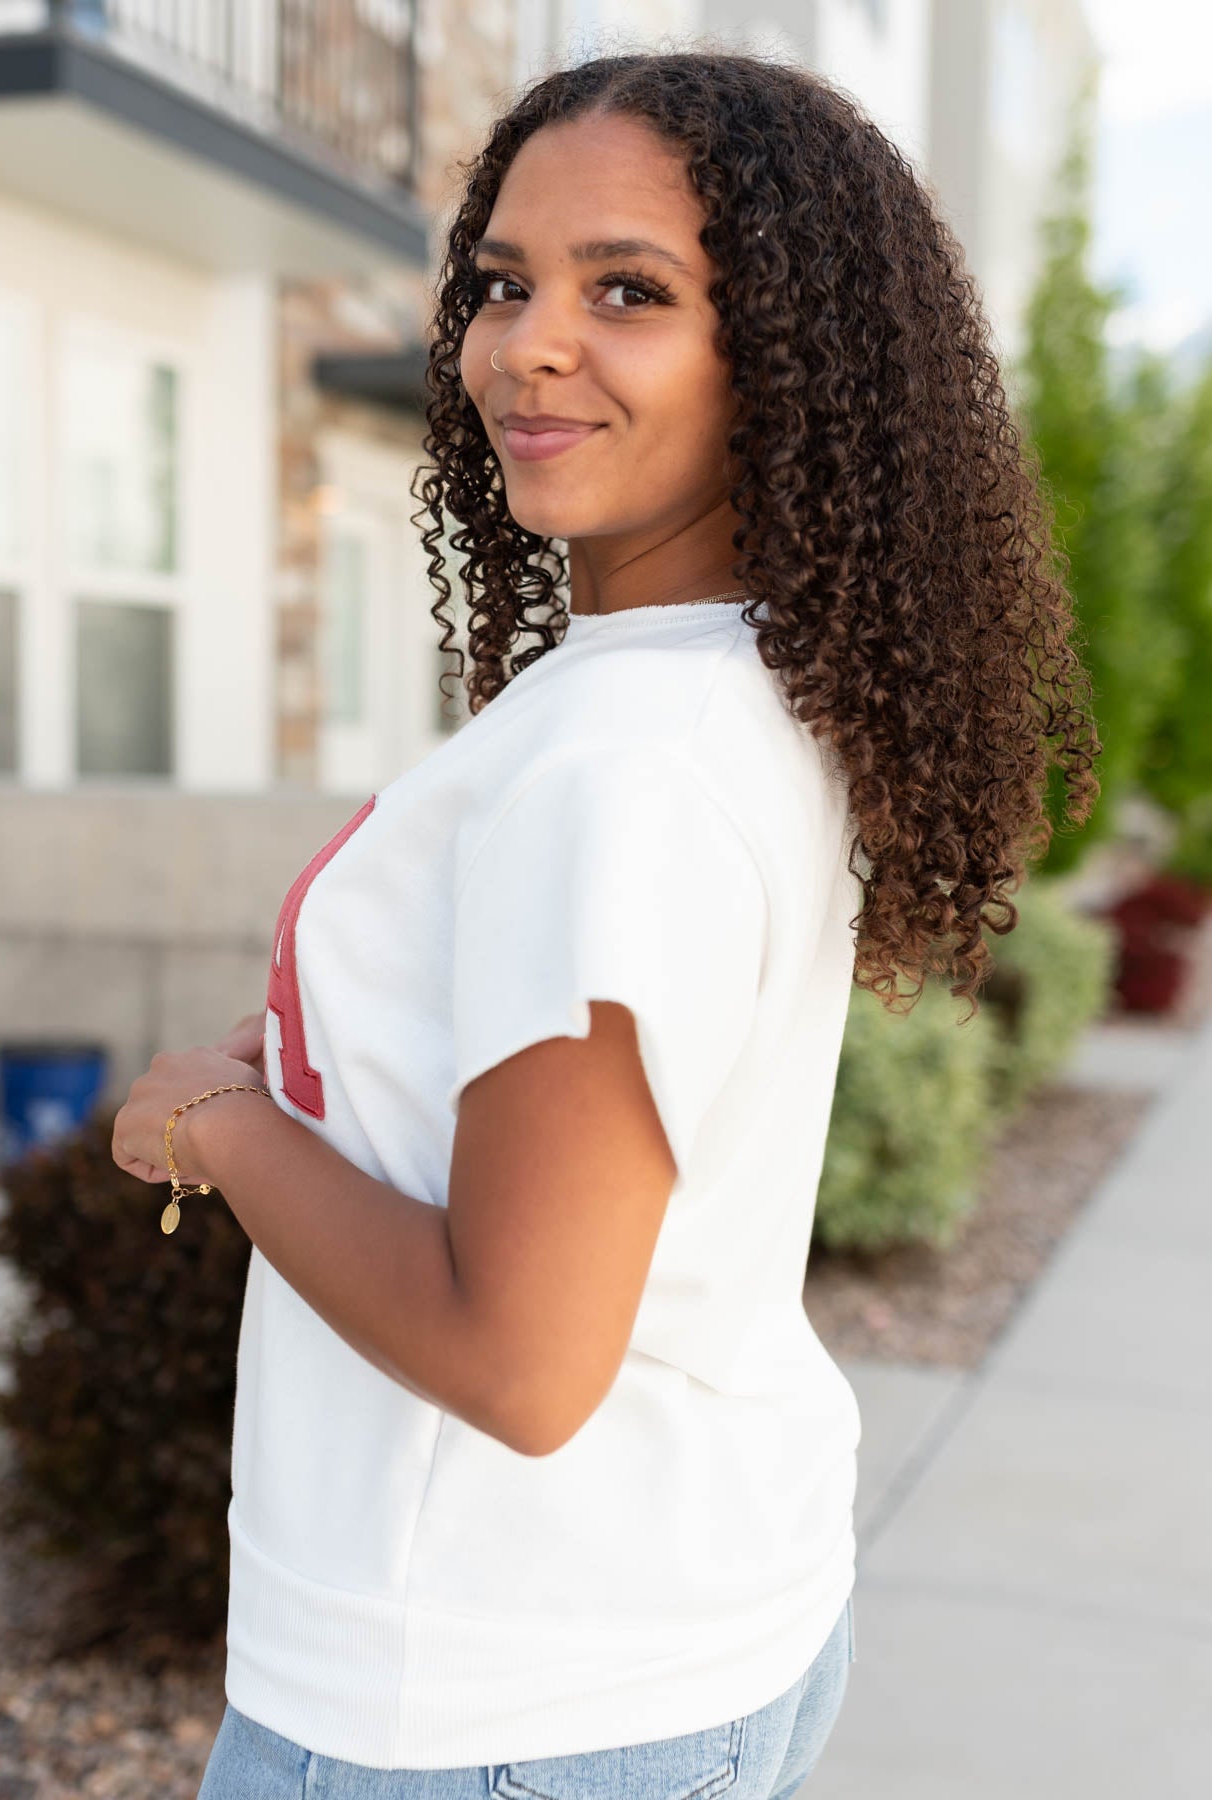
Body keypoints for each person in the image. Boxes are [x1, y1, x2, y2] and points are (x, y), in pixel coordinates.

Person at [111, 45, 1099, 1800]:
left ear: (783, 359)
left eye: (626, 291)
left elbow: (523, 1358)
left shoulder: (619, 767)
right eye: (502, 283)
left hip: (487, 1706)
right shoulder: (734, 683)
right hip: (672, 1622)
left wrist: (218, 1133)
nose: (525, 344)